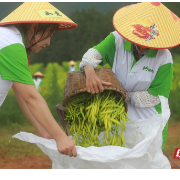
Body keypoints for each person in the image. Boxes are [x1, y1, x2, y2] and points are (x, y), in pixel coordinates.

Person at [79, 2, 180, 150]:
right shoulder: (116, 40)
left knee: (145, 160)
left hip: (148, 119)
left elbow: (156, 96)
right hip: (115, 116)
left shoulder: (164, 58)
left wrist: (124, 95)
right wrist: (89, 71)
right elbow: (93, 54)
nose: (142, 44)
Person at [0, 2, 78, 157]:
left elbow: (22, 94)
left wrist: (45, 132)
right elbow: (31, 98)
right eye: (49, 35)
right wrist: (61, 137)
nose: (48, 43)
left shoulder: (9, 40)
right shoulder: (10, 44)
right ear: (34, 27)